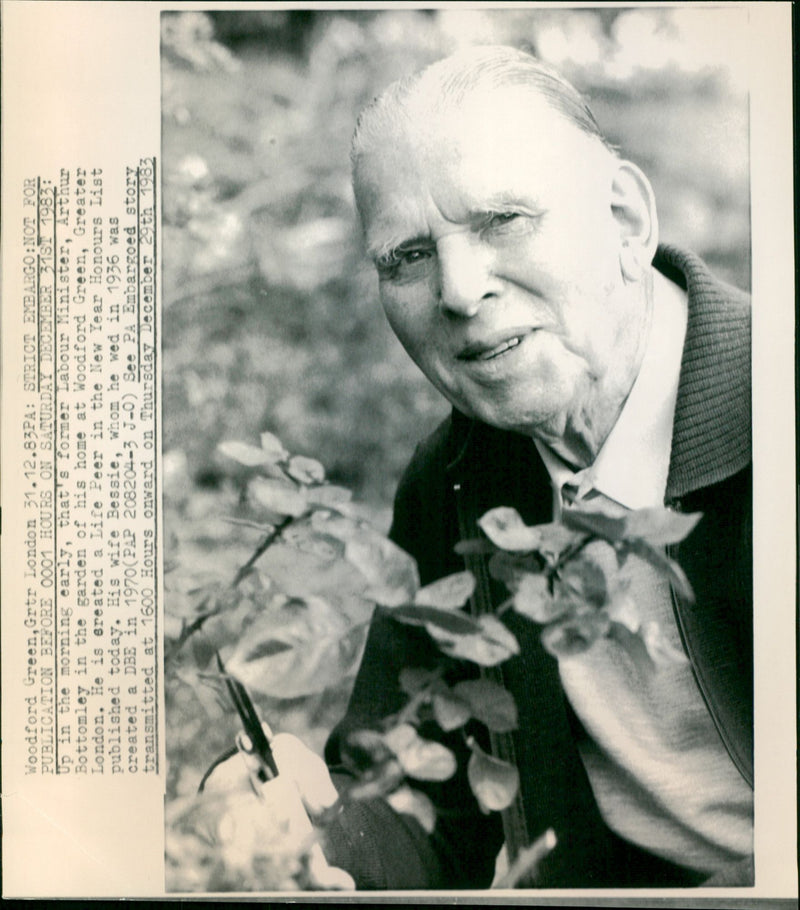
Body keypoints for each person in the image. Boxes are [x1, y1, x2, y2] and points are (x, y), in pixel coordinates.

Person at [218, 45, 754, 890]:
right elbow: (422, 806)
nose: (460, 291)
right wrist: (314, 836)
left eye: (503, 220)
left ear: (624, 218)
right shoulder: (459, 478)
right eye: (407, 257)